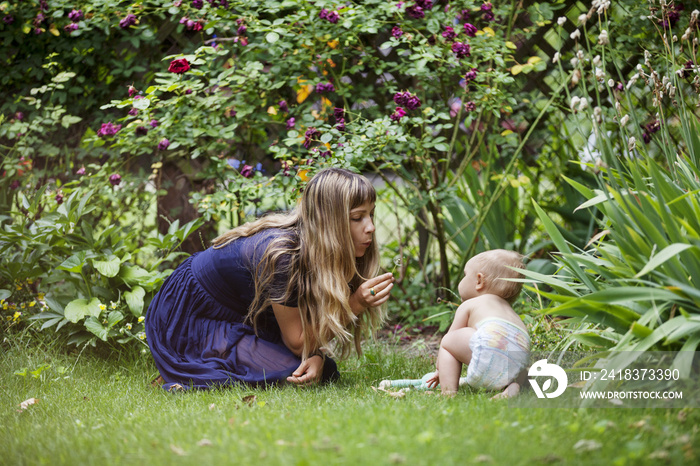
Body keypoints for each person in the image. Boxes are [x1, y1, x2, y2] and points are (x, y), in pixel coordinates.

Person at [145, 167, 395, 390]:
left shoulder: (319, 248)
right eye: (357, 217)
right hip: (193, 311)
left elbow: (302, 325)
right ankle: (189, 358)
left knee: (323, 371)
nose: (371, 226)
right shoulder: (283, 255)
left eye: (371, 215)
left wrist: (315, 354)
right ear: (329, 222)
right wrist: (356, 302)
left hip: (245, 314)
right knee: (289, 375)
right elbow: (298, 342)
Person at [379, 250, 529, 397]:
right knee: (518, 371)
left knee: (448, 341)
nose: (462, 279)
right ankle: (512, 387)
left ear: (479, 281)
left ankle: (449, 393)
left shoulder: (471, 304)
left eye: (465, 275)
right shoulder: (512, 314)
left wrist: (441, 369)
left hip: (488, 352)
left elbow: (451, 340)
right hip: (516, 363)